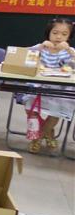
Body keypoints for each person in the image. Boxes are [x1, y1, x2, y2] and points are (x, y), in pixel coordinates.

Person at [23, 19, 75, 153]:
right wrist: (40, 47)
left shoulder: (69, 51)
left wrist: (69, 50)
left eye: (64, 34)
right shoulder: (41, 47)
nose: (59, 37)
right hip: (39, 86)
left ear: (69, 36)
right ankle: (48, 132)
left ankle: (38, 138)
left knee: (55, 112)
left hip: (59, 90)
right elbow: (21, 55)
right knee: (31, 109)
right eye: (55, 33)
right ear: (49, 33)